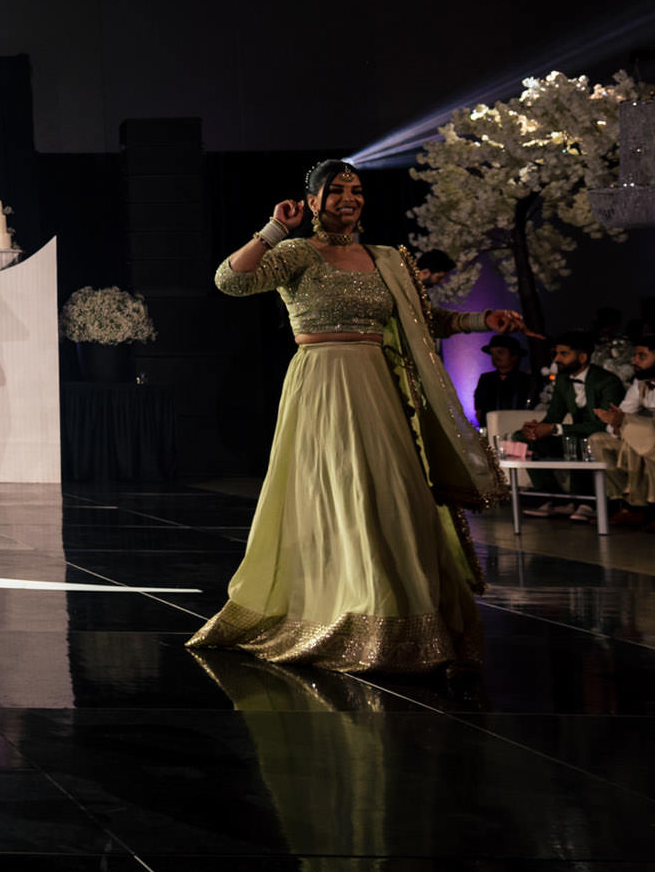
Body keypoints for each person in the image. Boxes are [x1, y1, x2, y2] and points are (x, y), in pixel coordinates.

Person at [190, 160, 517, 674]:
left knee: (393, 492)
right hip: (321, 384)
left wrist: (482, 319)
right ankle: (336, 605)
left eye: (356, 189)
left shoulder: (387, 258)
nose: (349, 197)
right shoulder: (297, 253)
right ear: (313, 201)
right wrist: (275, 228)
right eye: (336, 190)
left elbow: (424, 320)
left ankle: (403, 613)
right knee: (340, 492)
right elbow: (231, 280)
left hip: (378, 386)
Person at [512, 330, 626, 521]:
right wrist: (535, 429)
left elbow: (603, 425)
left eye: (563, 354)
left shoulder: (607, 381)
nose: (557, 359)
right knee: (522, 438)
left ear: (582, 357)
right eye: (556, 353)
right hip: (574, 436)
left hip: (599, 438)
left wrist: (555, 429)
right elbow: (553, 416)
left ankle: (586, 504)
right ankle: (555, 499)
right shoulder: (563, 380)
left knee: (576, 438)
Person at [591, 336, 655, 529]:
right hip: (641, 440)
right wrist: (617, 422)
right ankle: (624, 502)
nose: (635, 361)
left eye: (642, 356)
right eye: (635, 356)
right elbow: (621, 416)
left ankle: (642, 506)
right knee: (598, 440)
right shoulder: (640, 383)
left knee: (641, 433)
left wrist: (626, 422)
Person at [472, 334, 542, 425]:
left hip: (519, 427)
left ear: (514, 356)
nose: (495, 357)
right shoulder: (486, 379)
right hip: (491, 426)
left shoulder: (528, 380)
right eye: (492, 353)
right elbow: (479, 409)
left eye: (500, 352)